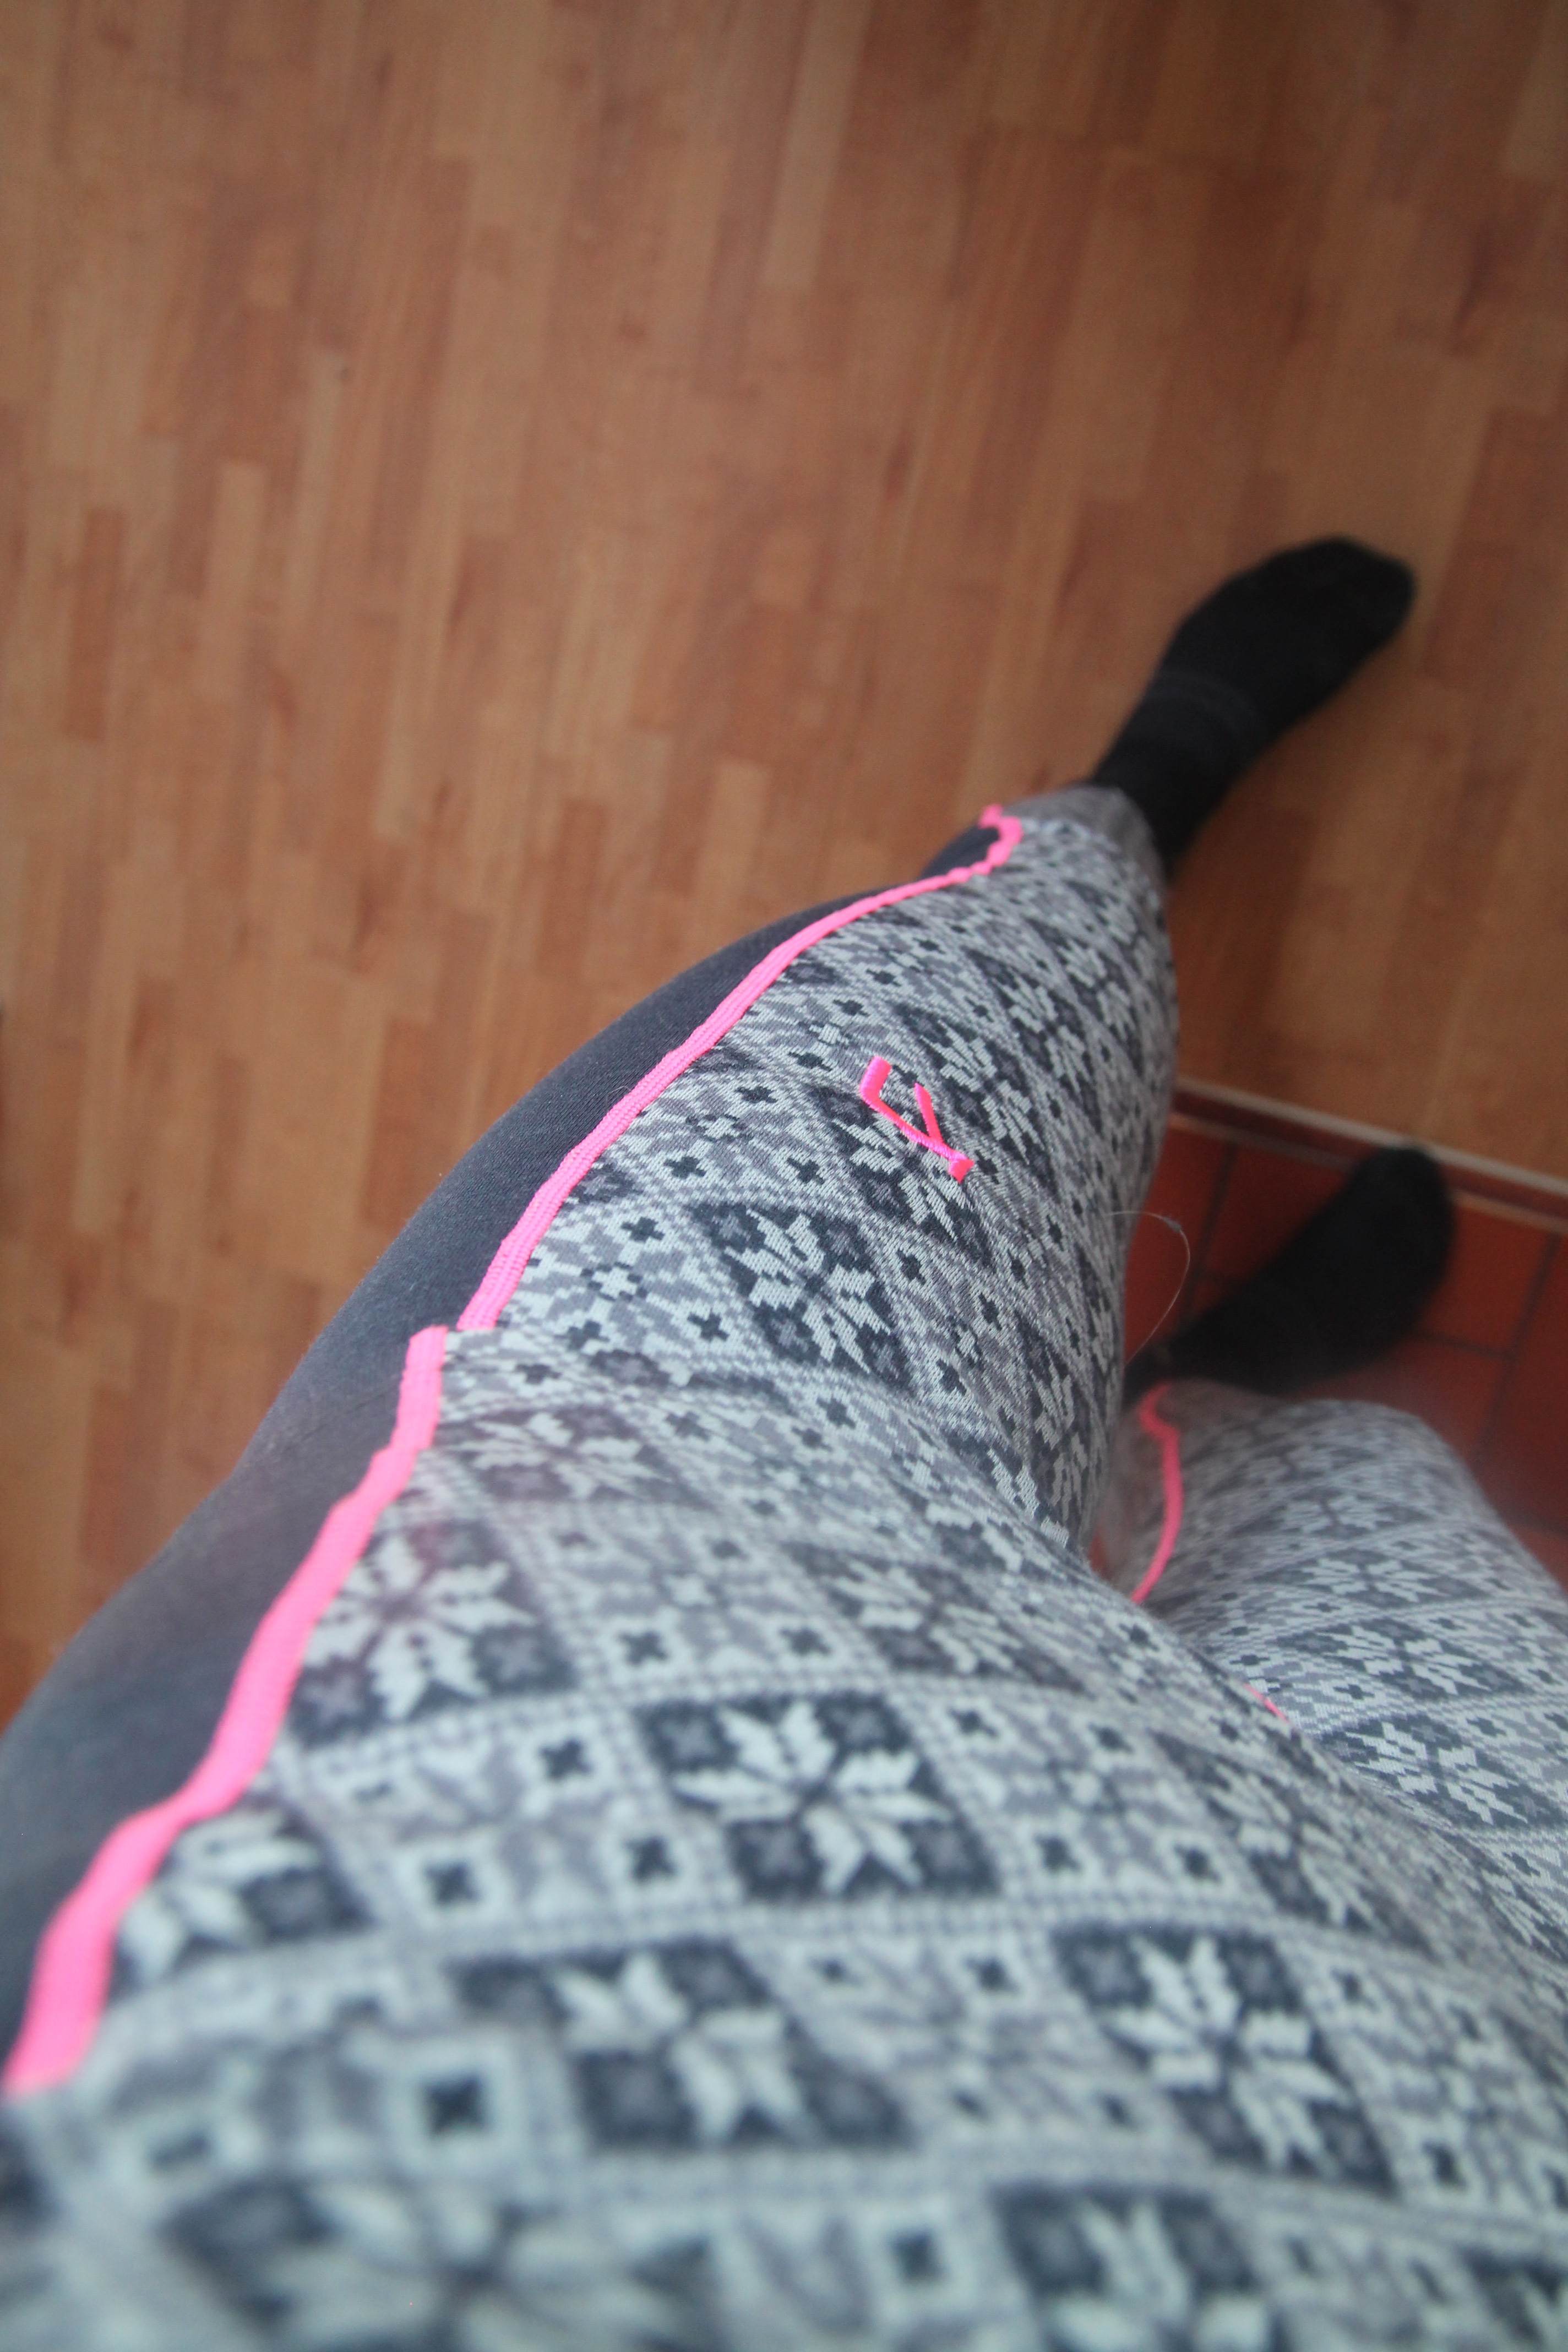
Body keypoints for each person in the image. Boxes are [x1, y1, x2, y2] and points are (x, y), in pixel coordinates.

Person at [2, 542, 1565, 2350]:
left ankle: (1164, 771)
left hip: (556, 1620)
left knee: (1003, 986)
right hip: (1491, 2001)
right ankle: (1220, 1377)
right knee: (1355, 1501)